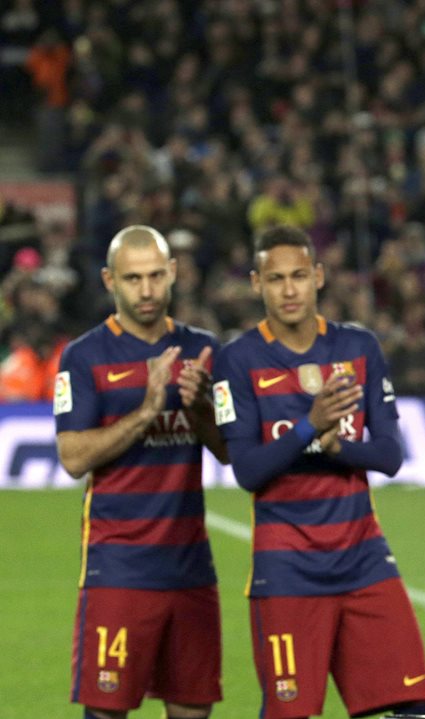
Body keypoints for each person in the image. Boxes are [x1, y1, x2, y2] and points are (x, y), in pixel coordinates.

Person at [210, 225, 425, 719]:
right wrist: (309, 428)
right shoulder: (238, 360)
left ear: (318, 276)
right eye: (274, 279)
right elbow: (247, 469)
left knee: (413, 703)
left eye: (297, 276)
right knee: (291, 712)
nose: (288, 290)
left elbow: (389, 456)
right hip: (287, 568)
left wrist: (337, 446)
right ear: (256, 283)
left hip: (364, 559)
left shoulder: (359, 347)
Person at [54, 225, 226, 719]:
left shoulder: (204, 350)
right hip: (118, 569)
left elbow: (230, 454)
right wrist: (147, 410)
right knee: (107, 710)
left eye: (155, 275)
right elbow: (73, 457)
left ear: (173, 272)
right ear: (110, 280)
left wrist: (199, 410)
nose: (146, 290)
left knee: (192, 708)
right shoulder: (84, 357)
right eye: (133, 279)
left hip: (191, 569)